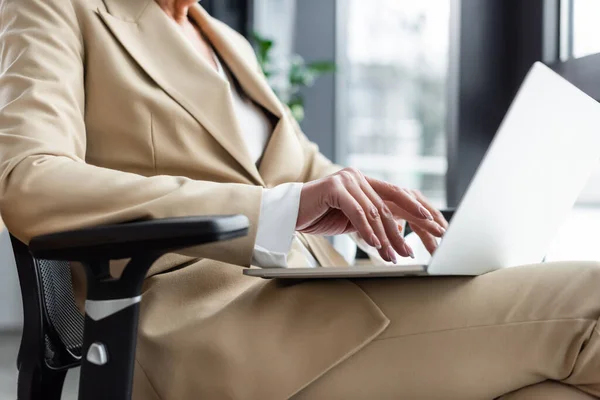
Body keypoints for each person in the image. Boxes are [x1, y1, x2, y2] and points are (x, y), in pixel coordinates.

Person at [0, 0, 598, 398]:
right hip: (205, 330)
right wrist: (278, 211)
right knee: (589, 301)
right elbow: (29, 179)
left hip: (317, 298)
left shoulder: (223, 40)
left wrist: (385, 204)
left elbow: (306, 172)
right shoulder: (57, 8)